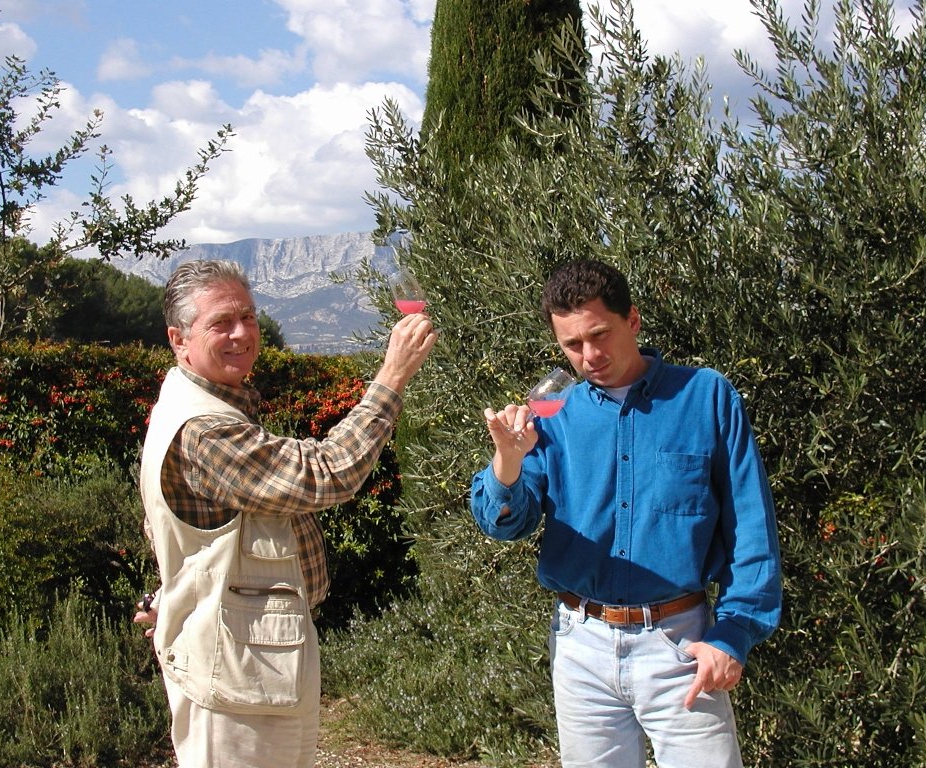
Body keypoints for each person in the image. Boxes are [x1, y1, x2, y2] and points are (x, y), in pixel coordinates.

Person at [470, 258, 781, 768]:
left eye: (600, 335)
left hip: (682, 646)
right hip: (580, 646)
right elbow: (505, 524)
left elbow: (750, 526)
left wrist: (735, 632)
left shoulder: (705, 397)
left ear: (632, 320)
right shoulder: (554, 415)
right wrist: (507, 459)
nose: (589, 356)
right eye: (572, 345)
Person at [136, 259, 436, 768]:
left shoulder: (194, 404)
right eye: (221, 323)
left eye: (249, 317)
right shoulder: (206, 431)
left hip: (253, 666)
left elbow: (190, 533)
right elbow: (328, 473)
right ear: (178, 339)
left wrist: (173, 593)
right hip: (235, 675)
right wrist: (392, 375)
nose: (242, 333)